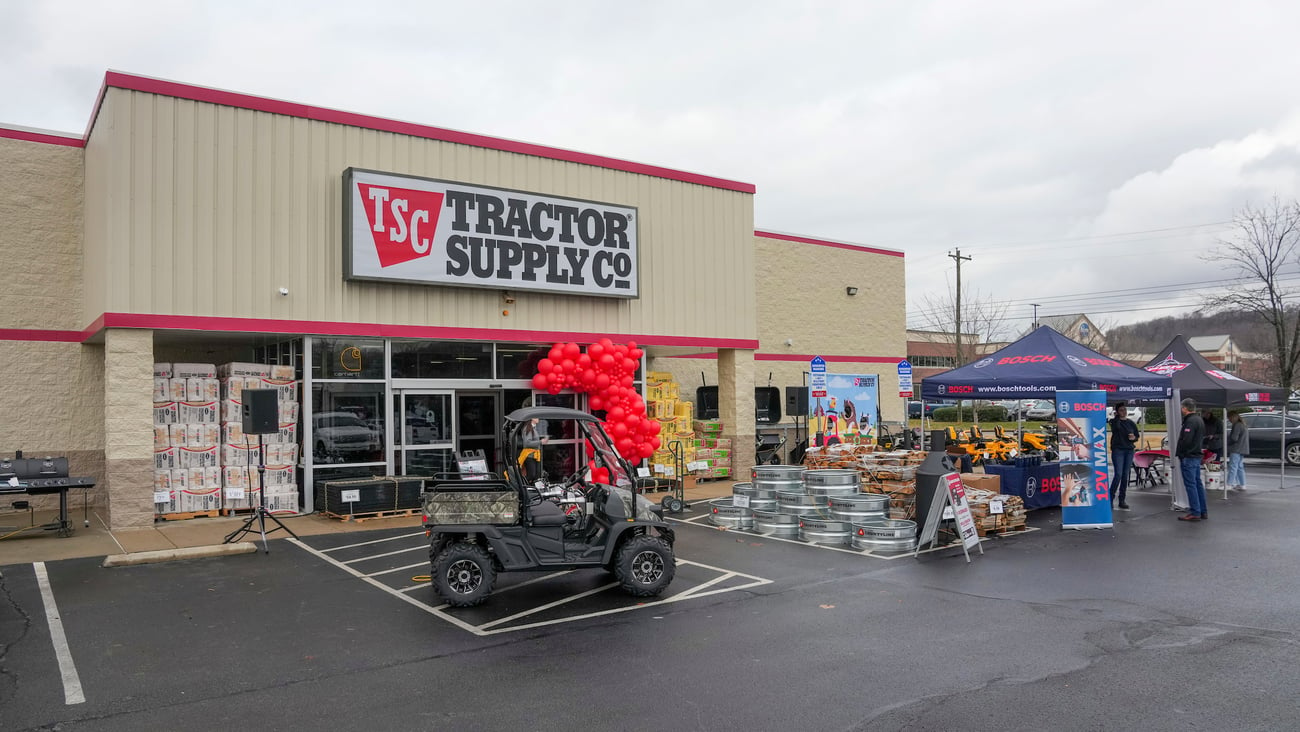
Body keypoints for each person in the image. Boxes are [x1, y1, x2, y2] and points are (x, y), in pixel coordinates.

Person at [1176, 398, 1207, 521]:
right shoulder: (1199, 420)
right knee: (1198, 484)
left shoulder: (1190, 421)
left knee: (1191, 485)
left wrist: (1182, 452)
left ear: (1184, 408)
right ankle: (1202, 510)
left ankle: (1195, 511)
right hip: (1196, 455)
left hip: (1189, 456)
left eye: (1181, 407)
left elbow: (1187, 440)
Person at [1109, 403, 1139, 510]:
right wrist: (1117, 417)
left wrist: (1133, 438)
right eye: (1121, 410)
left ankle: (1122, 499)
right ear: (1117, 412)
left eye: (1125, 410)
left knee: (1125, 475)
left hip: (1129, 450)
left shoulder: (1130, 423)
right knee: (1118, 474)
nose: (1124, 412)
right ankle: (1110, 498)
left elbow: (1136, 435)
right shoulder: (1114, 422)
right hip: (1118, 450)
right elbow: (1115, 428)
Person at [518, 418, 548, 483]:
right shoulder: (527, 428)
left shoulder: (533, 428)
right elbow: (527, 443)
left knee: (536, 476)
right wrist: (540, 442)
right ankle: (521, 485)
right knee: (531, 475)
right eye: (536, 417)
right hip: (529, 455)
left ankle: (530, 488)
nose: (538, 418)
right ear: (532, 418)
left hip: (534, 455)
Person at [1226, 410, 1250, 492]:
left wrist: (1227, 442)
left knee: (1233, 466)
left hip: (1236, 448)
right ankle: (1242, 484)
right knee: (1239, 467)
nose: (1229, 419)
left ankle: (1229, 484)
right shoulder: (1242, 424)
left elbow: (1234, 438)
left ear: (1233, 417)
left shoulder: (1236, 425)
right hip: (1243, 448)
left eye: (1229, 418)